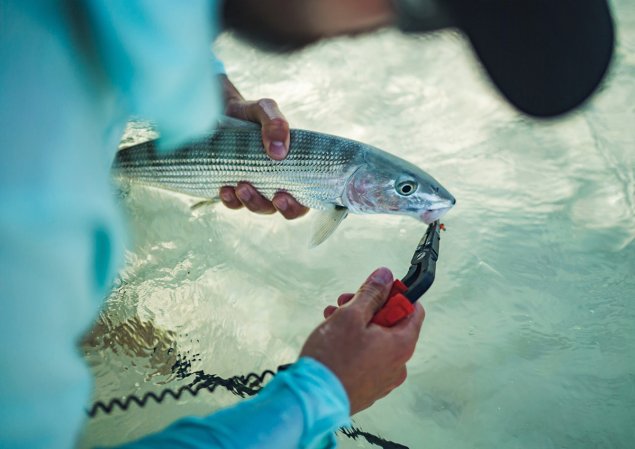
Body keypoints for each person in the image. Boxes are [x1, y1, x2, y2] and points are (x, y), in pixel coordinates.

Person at [0, 1, 613, 449]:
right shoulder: (30, 204)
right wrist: (322, 393)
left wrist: (208, 91)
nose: (376, 21)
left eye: (424, 20)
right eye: (416, 9)